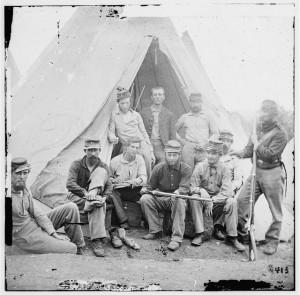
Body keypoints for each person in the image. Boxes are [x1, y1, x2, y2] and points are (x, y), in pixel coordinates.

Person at [231, 100, 288, 255]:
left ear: (273, 115)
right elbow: (249, 150)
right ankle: (243, 235)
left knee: (275, 211)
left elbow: (270, 154)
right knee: (241, 200)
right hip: (256, 171)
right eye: (261, 112)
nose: (262, 115)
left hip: (273, 173)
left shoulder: (281, 133)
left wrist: (257, 143)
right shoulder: (257, 128)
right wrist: (239, 153)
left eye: (265, 113)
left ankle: (272, 242)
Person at [10, 157, 85, 254]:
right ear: (9, 174)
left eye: (25, 173)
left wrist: (53, 233)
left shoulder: (24, 189)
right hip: (27, 237)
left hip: (35, 225)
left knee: (71, 207)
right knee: (70, 248)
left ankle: (79, 248)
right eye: (18, 173)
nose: (22, 177)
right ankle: (72, 249)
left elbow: (38, 214)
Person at [189, 136, 245, 252]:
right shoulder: (200, 166)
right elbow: (192, 187)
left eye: (214, 153)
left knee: (232, 201)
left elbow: (226, 192)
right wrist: (201, 191)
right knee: (194, 198)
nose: (210, 156)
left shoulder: (225, 169)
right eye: (208, 153)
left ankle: (232, 237)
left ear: (220, 155)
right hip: (201, 203)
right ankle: (201, 233)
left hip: (216, 204)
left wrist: (211, 200)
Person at [140, 140, 192, 251]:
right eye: (169, 155)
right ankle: (155, 230)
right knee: (145, 199)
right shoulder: (158, 168)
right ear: (165, 154)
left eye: (175, 155)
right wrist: (145, 190)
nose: (172, 158)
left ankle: (176, 238)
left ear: (179, 155)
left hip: (177, 201)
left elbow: (184, 188)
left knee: (179, 200)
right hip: (162, 199)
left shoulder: (186, 169)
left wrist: (178, 193)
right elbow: (150, 186)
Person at [66, 139, 113, 257]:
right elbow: (70, 184)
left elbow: (109, 186)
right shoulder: (76, 164)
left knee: (98, 199)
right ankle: (97, 240)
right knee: (96, 202)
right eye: (90, 150)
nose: (93, 153)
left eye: (95, 150)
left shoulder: (103, 166)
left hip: (95, 198)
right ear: (85, 151)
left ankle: (96, 241)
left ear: (100, 151)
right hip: (77, 197)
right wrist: (85, 193)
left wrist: (105, 197)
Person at [108, 88, 155, 178]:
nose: (125, 106)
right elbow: (111, 131)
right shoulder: (114, 115)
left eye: (127, 103)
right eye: (122, 103)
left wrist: (151, 150)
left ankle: (146, 184)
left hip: (140, 143)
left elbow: (144, 133)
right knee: (127, 162)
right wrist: (112, 137)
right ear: (118, 103)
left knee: (147, 158)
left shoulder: (136, 115)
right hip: (127, 144)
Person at [109, 136, 147, 230]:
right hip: (120, 191)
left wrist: (135, 181)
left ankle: (145, 220)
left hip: (134, 190)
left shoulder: (140, 159)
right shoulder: (115, 161)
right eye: (132, 147)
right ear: (126, 148)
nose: (135, 150)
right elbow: (107, 178)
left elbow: (144, 177)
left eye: (137, 148)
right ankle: (123, 220)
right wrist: (114, 180)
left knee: (147, 192)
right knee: (111, 192)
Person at [176, 92, 218, 171]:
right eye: (193, 102)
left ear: (201, 102)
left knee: (204, 172)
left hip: (203, 148)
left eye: (198, 102)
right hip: (188, 148)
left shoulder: (208, 116)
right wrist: (180, 140)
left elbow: (215, 133)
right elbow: (174, 130)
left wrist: (206, 143)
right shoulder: (185, 117)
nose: (195, 104)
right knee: (187, 172)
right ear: (190, 102)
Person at [140, 86, 176, 164]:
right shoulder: (143, 113)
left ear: (163, 97)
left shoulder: (169, 114)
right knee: (146, 162)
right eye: (155, 95)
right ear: (152, 97)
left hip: (162, 146)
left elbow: (172, 135)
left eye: (160, 95)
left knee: (163, 164)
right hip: (147, 145)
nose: (157, 97)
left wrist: (171, 149)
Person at [219, 129, 243, 196]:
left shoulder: (234, 159)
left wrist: (230, 188)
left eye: (227, 141)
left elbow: (238, 179)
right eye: (222, 140)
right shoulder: (212, 156)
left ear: (230, 143)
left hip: (227, 190)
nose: (224, 143)